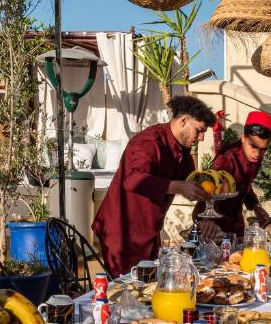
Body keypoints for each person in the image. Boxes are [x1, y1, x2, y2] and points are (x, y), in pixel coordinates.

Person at [92, 96, 215, 277]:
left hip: (149, 232)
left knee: (148, 291)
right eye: (199, 130)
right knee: (127, 294)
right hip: (121, 233)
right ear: (183, 121)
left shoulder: (184, 156)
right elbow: (133, 179)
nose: (202, 138)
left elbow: (192, 186)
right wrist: (178, 187)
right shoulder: (149, 142)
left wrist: (207, 214)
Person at [192, 110, 271, 239]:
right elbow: (209, 189)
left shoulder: (255, 157)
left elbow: (244, 185)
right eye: (253, 146)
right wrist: (206, 219)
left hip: (235, 223)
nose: (257, 154)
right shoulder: (226, 159)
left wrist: (256, 206)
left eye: (263, 149)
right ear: (242, 138)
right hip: (213, 226)